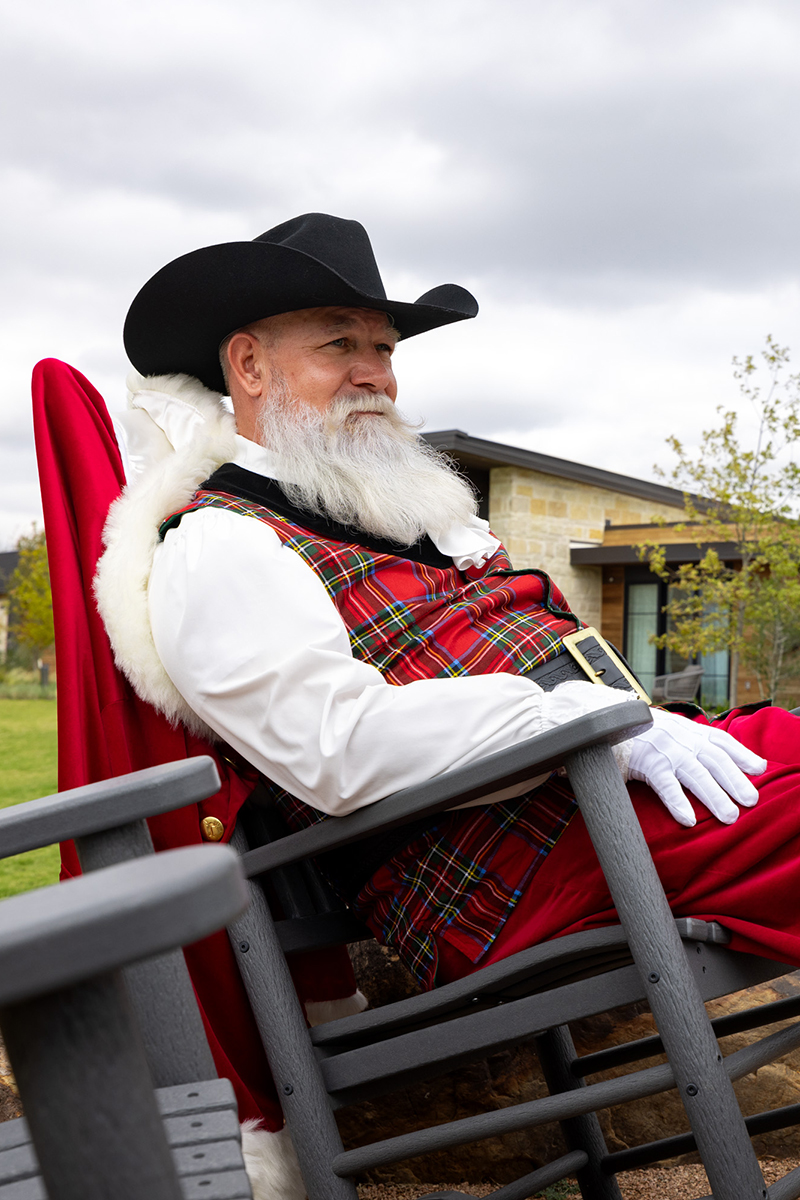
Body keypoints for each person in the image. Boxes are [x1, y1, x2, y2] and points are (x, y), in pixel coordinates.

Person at [96, 212, 800, 1197]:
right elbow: (336, 750)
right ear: (248, 365)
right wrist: (574, 721)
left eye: (383, 349)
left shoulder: (407, 524)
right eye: (337, 343)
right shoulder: (218, 549)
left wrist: (629, 723)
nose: (374, 372)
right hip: (495, 878)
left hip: (594, 818)